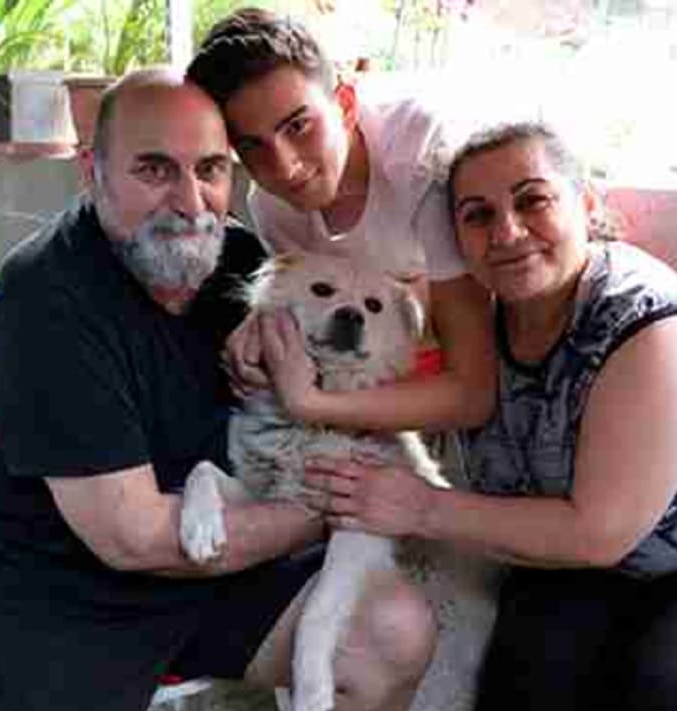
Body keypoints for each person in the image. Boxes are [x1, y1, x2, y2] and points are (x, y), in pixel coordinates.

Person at [303, 122, 677, 711]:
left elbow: (599, 532)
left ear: (586, 206)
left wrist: (420, 506)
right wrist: (268, 353)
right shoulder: (478, 319)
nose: (507, 232)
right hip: (592, 561)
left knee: (674, 690)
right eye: (478, 215)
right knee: (524, 682)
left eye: (532, 199)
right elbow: (365, 345)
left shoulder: (650, 323)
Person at [0, 68, 435, 711]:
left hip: (219, 557)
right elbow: (136, 540)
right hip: (64, 588)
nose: (191, 201)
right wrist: (335, 507)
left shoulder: (234, 258)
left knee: (394, 632)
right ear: (91, 171)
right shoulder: (46, 300)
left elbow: (352, 338)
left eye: (210, 169)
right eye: (155, 170)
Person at [186, 8, 496, 433]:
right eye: (252, 145)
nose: (285, 166)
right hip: (372, 378)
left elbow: (473, 389)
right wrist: (259, 330)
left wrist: (309, 404)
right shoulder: (273, 206)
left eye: (298, 126)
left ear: (345, 105)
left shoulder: (418, 153)